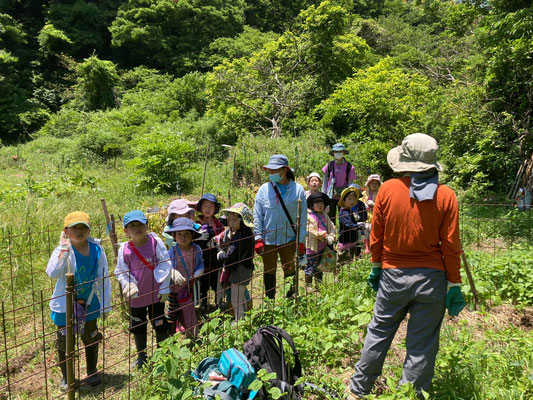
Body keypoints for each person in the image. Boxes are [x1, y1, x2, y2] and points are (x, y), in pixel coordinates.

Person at [347, 133, 466, 400]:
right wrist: (454, 283)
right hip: (433, 280)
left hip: (393, 275)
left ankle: (357, 391)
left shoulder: (388, 189)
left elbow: (376, 234)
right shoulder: (446, 196)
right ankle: (409, 395)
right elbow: (450, 245)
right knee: (422, 345)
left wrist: (376, 266)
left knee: (378, 332)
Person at [46, 211, 112, 390]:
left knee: (91, 336)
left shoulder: (97, 249)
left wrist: (106, 304)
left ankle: (91, 371)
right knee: (64, 341)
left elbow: (103, 277)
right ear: (66, 231)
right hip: (65, 305)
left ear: (89, 230)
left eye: (84, 227)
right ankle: (67, 377)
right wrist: (64, 249)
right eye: (75, 228)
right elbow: (52, 272)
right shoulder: (62, 250)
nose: (80, 231)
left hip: (90, 301)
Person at [114, 210, 171, 369]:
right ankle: (142, 356)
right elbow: (121, 271)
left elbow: (165, 262)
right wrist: (128, 284)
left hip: (155, 293)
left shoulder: (155, 242)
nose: (137, 228)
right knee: (138, 325)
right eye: (132, 226)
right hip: (136, 296)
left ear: (147, 225)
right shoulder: (124, 249)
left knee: (159, 322)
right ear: (126, 231)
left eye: (140, 224)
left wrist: (165, 286)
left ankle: (163, 353)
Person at [253, 154, 307, 299]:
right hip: (268, 238)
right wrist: (258, 238)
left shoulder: (298, 190)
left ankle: (290, 299)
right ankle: (270, 301)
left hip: (289, 238)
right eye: (269, 171)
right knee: (269, 270)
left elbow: (302, 218)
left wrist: (301, 240)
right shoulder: (264, 190)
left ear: (285, 170)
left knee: (289, 269)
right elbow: (258, 215)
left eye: (274, 170)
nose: (271, 173)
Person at [165, 218, 204, 338]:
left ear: (192, 235)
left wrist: (199, 271)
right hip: (174, 289)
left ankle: (192, 335)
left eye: (187, 233)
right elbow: (167, 267)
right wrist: (173, 273)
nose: (183, 237)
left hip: (190, 287)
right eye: (179, 234)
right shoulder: (172, 251)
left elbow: (200, 263)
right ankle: (170, 336)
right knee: (173, 313)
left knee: (191, 311)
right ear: (174, 236)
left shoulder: (196, 249)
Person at [216, 203, 255, 322]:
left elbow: (230, 256)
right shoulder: (245, 233)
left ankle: (240, 322)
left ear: (242, 221)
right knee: (240, 296)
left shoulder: (241, 237)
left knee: (235, 299)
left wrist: (220, 255)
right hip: (244, 269)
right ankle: (244, 318)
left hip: (240, 271)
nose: (230, 223)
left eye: (234, 220)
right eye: (229, 220)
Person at [195, 193, 225, 312]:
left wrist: (216, 239)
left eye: (211, 207)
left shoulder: (218, 223)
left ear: (215, 209)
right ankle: (204, 303)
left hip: (215, 257)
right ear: (201, 208)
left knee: (216, 280)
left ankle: (218, 302)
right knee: (203, 282)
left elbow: (223, 236)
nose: (208, 209)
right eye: (205, 206)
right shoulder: (197, 223)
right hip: (202, 258)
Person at [305, 192, 336, 290]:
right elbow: (311, 230)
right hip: (313, 247)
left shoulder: (325, 215)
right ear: (312, 205)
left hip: (323, 247)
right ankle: (308, 287)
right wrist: (324, 235)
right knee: (310, 266)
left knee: (319, 267)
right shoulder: (309, 217)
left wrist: (332, 235)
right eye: (317, 203)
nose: (319, 205)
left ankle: (319, 286)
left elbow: (332, 226)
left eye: (321, 203)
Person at [321, 143, 357, 222]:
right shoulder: (329, 165)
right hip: (330, 196)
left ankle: (343, 233)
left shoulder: (349, 166)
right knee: (330, 217)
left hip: (344, 196)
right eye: (336, 152)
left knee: (345, 217)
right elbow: (325, 182)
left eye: (340, 151)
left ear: (343, 152)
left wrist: (350, 198)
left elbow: (350, 183)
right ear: (333, 153)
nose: (338, 153)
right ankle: (331, 233)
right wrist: (323, 196)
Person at [338, 185, 367, 265]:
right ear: (343, 200)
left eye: (354, 199)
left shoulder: (349, 210)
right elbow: (349, 225)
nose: (352, 201)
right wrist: (358, 226)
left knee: (349, 261)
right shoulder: (344, 212)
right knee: (343, 262)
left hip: (351, 240)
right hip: (345, 241)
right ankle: (338, 276)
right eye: (349, 199)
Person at [361, 174, 382, 254]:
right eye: (372, 183)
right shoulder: (364, 193)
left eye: (376, 184)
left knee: (374, 230)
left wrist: (374, 204)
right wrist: (364, 205)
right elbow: (360, 202)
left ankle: (374, 245)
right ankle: (367, 246)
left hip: (375, 215)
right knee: (366, 229)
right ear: (369, 184)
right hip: (366, 215)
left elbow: (382, 204)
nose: (374, 185)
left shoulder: (380, 193)